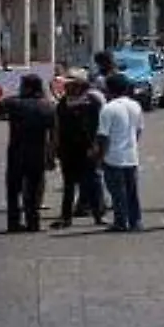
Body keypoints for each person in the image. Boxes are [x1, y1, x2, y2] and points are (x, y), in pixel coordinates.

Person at [1, 73, 57, 233]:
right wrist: (51, 156)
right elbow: (54, 135)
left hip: (16, 152)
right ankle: (33, 222)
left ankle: (13, 222)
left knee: (13, 190)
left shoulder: (14, 104)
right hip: (38, 152)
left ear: (27, 87)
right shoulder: (48, 106)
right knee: (34, 190)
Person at [52, 71, 105, 228]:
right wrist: (55, 148)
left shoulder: (92, 101)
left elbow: (99, 126)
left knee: (92, 183)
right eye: (68, 84)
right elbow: (57, 127)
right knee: (69, 185)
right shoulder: (63, 103)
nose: (69, 87)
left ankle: (98, 215)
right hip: (67, 150)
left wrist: (96, 146)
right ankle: (66, 217)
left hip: (87, 149)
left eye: (73, 84)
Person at [96, 72, 145, 232]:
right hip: (131, 155)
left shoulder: (108, 109)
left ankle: (120, 221)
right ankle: (135, 221)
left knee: (117, 192)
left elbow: (103, 136)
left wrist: (100, 157)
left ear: (109, 89)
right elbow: (138, 130)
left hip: (113, 156)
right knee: (132, 191)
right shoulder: (135, 106)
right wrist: (132, 144)